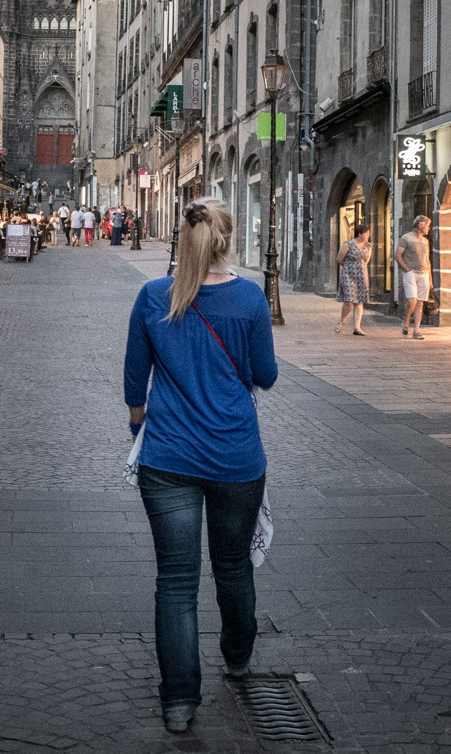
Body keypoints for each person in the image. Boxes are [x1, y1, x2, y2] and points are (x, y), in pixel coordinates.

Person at [123, 199, 278, 734]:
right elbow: (266, 374)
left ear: (181, 240)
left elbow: (134, 381)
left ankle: (180, 702)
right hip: (236, 456)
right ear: (225, 241)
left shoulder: (153, 297)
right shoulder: (250, 298)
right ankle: (237, 655)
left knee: (175, 580)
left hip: (168, 459)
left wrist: (139, 427)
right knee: (232, 566)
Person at [395, 214, 433, 339]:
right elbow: (397, 255)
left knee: (420, 303)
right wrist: (407, 269)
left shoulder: (426, 241)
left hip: (424, 274)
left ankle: (416, 331)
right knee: (412, 301)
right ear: (420, 225)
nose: (429, 228)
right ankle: (406, 320)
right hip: (411, 273)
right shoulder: (406, 238)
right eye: (427, 225)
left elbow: (427, 260)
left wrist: (430, 278)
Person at [335, 222, 372, 335]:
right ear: (359, 234)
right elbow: (339, 259)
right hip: (348, 274)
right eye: (367, 233)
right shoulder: (348, 245)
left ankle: (357, 327)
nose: (368, 235)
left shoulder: (368, 246)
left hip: (361, 275)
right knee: (349, 301)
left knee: (359, 301)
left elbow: (366, 260)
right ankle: (342, 320)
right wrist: (349, 266)